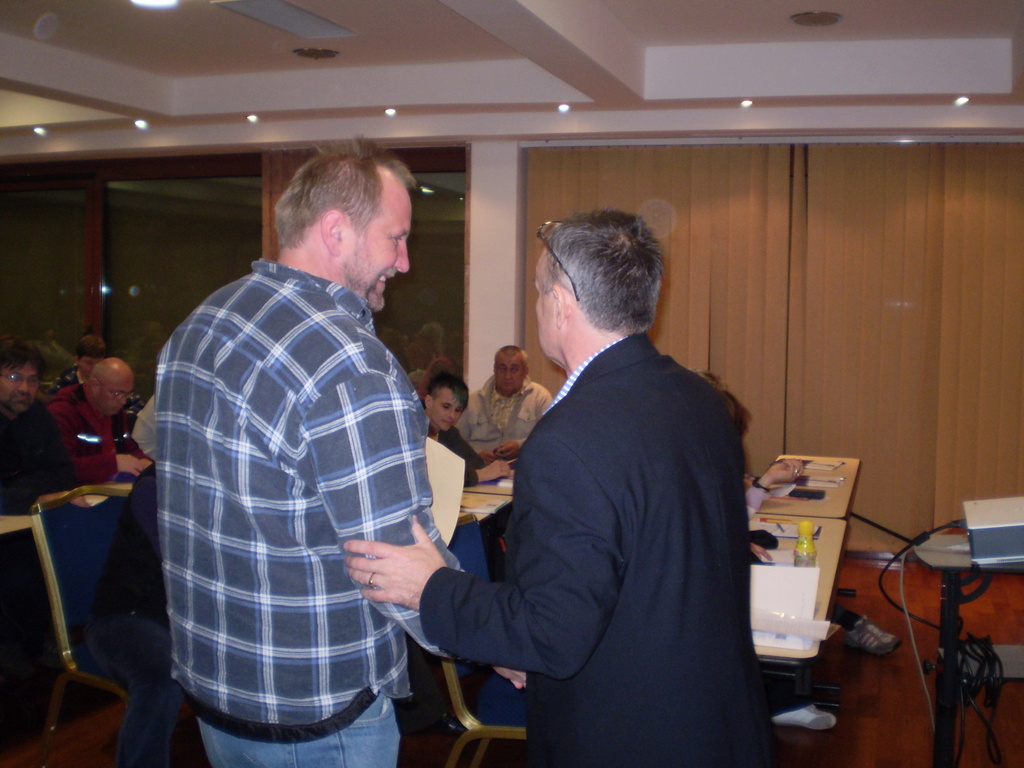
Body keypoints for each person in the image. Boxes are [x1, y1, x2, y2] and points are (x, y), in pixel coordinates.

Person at [345, 210, 775, 767]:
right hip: (717, 722)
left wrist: (432, 587)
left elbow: (551, 634)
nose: (536, 304)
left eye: (537, 290)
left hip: (628, 737)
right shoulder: (698, 398)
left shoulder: (567, 441)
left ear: (561, 303)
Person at [155, 139, 458, 768]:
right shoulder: (352, 364)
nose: (404, 263)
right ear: (336, 230)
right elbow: (393, 557)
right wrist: (493, 638)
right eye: (397, 238)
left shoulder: (201, 322)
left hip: (214, 688)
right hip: (316, 710)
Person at [85, 465, 184, 768]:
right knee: (163, 676)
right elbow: (187, 567)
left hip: (180, 620)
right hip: (126, 617)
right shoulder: (153, 486)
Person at [0, 335, 77, 679]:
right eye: (14, 377)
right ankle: (10, 642)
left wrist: (16, 493)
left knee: (57, 558)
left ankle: (35, 638)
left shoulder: (38, 417)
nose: (25, 388)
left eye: (32, 380)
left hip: (27, 526)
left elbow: (63, 473)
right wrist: (30, 493)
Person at [47, 357, 151, 484]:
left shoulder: (113, 409)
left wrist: (144, 461)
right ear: (95, 386)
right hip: (76, 490)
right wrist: (112, 464)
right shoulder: (63, 411)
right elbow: (59, 468)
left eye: (128, 394)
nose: (123, 401)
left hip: (109, 485)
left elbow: (128, 447)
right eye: (117, 394)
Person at [459, 346, 551, 463]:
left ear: (525, 371)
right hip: (481, 471)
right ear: (494, 369)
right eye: (502, 369)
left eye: (514, 369)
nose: (507, 376)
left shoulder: (540, 398)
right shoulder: (472, 401)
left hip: (521, 469)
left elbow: (549, 438)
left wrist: (520, 447)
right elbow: (455, 443)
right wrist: (474, 457)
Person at [424, 371, 511, 487]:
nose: (452, 415)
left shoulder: (449, 433)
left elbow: (475, 463)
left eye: (458, 410)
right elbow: (433, 477)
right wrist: (482, 474)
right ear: (429, 402)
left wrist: (496, 468)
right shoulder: (412, 433)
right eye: (446, 407)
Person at [47, 334, 145, 415]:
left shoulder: (113, 380)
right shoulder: (64, 383)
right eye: (89, 363)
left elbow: (138, 406)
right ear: (77, 360)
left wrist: (117, 418)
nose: (94, 368)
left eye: (99, 363)